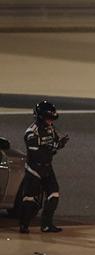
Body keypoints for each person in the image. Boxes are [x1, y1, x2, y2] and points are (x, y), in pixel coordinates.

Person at [20, 100, 68, 234]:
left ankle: (47, 225)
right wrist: (52, 148)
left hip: (47, 167)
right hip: (34, 169)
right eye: (48, 118)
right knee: (30, 200)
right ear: (41, 117)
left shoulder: (51, 129)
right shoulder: (31, 133)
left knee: (54, 195)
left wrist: (59, 144)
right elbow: (35, 153)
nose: (50, 122)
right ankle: (24, 225)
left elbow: (54, 144)